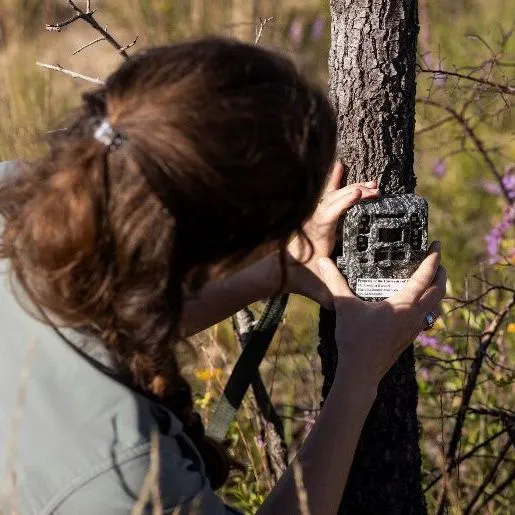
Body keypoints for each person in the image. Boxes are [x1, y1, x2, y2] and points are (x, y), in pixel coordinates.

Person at [0, 37, 446, 514]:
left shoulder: (19, 198)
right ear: (214, 253)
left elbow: (106, 310)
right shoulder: (126, 480)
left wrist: (281, 265)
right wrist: (358, 373)